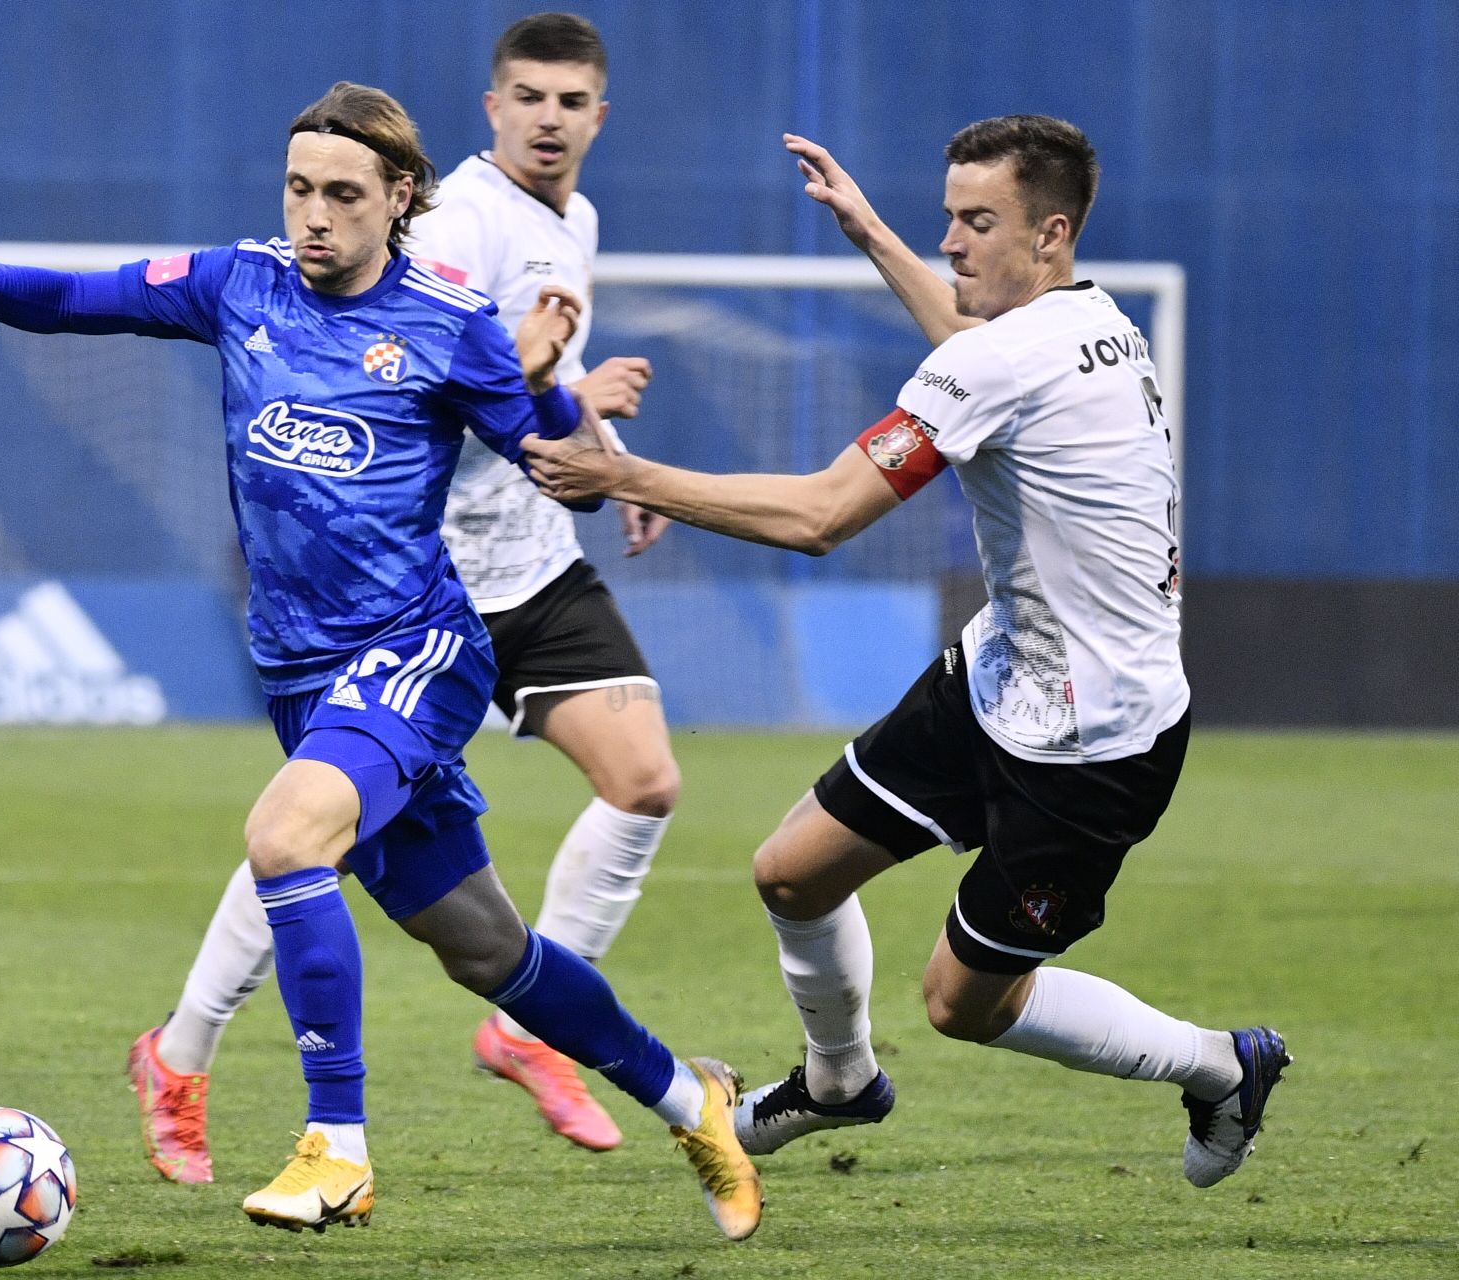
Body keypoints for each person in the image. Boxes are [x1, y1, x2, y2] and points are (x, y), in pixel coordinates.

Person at [0, 82, 759, 1240]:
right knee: (486, 947)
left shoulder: (449, 320)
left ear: (400, 197)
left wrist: (564, 408)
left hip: (416, 650)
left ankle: (337, 1148)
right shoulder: (242, 283)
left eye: (343, 194)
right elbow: (79, 297)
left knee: (283, 836)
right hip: (300, 676)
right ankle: (690, 1098)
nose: (315, 214)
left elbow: (555, 466)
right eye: (299, 188)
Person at [523, 114, 1288, 1187]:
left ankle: (1219, 1064)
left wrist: (624, 477)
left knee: (962, 1004)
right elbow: (971, 351)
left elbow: (821, 516)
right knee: (792, 874)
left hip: (1093, 743)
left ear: (1051, 233)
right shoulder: (1088, 320)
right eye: (947, 219)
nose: (951, 243)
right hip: (998, 676)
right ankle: (839, 1079)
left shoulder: (1009, 356)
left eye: (978, 223)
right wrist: (872, 234)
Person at [129, 11, 679, 1176]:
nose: (547, 119)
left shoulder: (572, 221)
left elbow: (522, 386)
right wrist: (546, 387)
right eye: (527, 96)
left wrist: (605, 450)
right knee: (308, 828)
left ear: (599, 115)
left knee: (643, 778)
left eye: (569, 101)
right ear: (491, 109)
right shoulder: (458, 220)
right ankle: (185, 1050)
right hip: (416, 578)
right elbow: (437, 367)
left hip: (529, 564)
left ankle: (535, 1033)